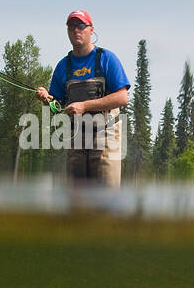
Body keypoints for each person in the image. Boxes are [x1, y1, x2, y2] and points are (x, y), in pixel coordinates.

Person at [35, 10, 131, 187]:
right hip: (76, 136)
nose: (76, 31)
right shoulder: (63, 65)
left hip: (106, 135)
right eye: (71, 27)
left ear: (91, 30)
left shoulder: (107, 59)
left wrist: (85, 106)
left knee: (105, 199)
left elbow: (122, 97)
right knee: (76, 200)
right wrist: (46, 99)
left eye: (81, 26)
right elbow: (57, 106)